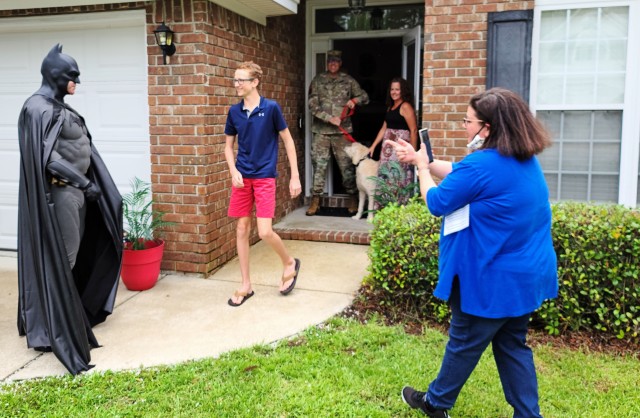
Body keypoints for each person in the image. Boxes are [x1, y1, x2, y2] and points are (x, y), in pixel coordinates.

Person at [389, 88, 558, 418]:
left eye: (468, 121)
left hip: (489, 280)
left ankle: (435, 404)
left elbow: (438, 203)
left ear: (488, 127)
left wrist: (422, 170)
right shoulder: (523, 158)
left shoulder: (482, 164)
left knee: (464, 343)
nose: (464, 126)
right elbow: (465, 176)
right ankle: (528, 415)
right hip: (524, 277)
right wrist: (422, 159)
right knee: (512, 346)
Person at [17, 44, 123, 375]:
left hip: (77, 195)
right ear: (56, 76)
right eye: (72, 75)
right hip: (61, 195)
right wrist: (84, 182)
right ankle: (54, 329)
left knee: (75, 258)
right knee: (62, 261)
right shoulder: (38, 108)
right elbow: (48, 159)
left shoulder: (59, 108)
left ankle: (69, 315)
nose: (77, 80)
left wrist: (93, 187)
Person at [224, 61, 302, 307]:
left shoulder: (271, 109)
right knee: (241, 229)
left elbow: (288, 141)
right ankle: (246, 285)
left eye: (241, 80)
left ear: (254, 82)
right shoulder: (234, 112)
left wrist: (295, 176)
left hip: (265, 177)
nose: (236, 84)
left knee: (265, 231)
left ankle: (289, 262)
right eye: (235, 80)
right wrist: (232, 170)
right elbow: (227, 146)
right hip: (242, 178)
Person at [307, 49, 370, 216]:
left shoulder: (348, 81)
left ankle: (353, 199)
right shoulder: (318, 80)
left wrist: (354, 100)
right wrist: (328, 118)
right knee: (319, 166)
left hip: (342, 133)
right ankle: (315, 201)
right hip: (322, 132)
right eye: (330, 61)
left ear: (340, 63)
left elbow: (365, 96)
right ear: (327, 63)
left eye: (336, 61)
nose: (332, 64)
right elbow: (312, 104)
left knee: (347, 168)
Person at [368, 77, 418, 208]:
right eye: (392, 89)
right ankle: (386, 208)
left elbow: (413, 130)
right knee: (386, 178)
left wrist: (412, 152)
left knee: (398, 178)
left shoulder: (405, 106)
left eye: (397, 89)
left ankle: (398, 209)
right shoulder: (390, 107)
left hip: (399, 150)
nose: (394, 92)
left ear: (403, 91)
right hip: (387, 152)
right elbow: (384, 128)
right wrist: (373, 146)